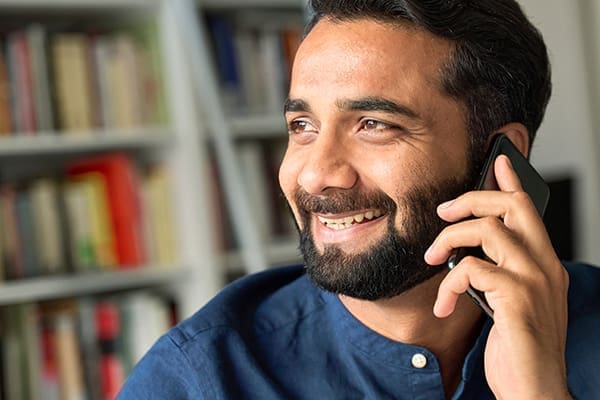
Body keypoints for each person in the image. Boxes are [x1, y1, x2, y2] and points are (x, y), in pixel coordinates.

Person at [118, 0, 600, 398]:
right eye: (302, 127)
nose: (316, 174)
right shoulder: (197, 379)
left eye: (374, 125)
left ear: (504, 155)